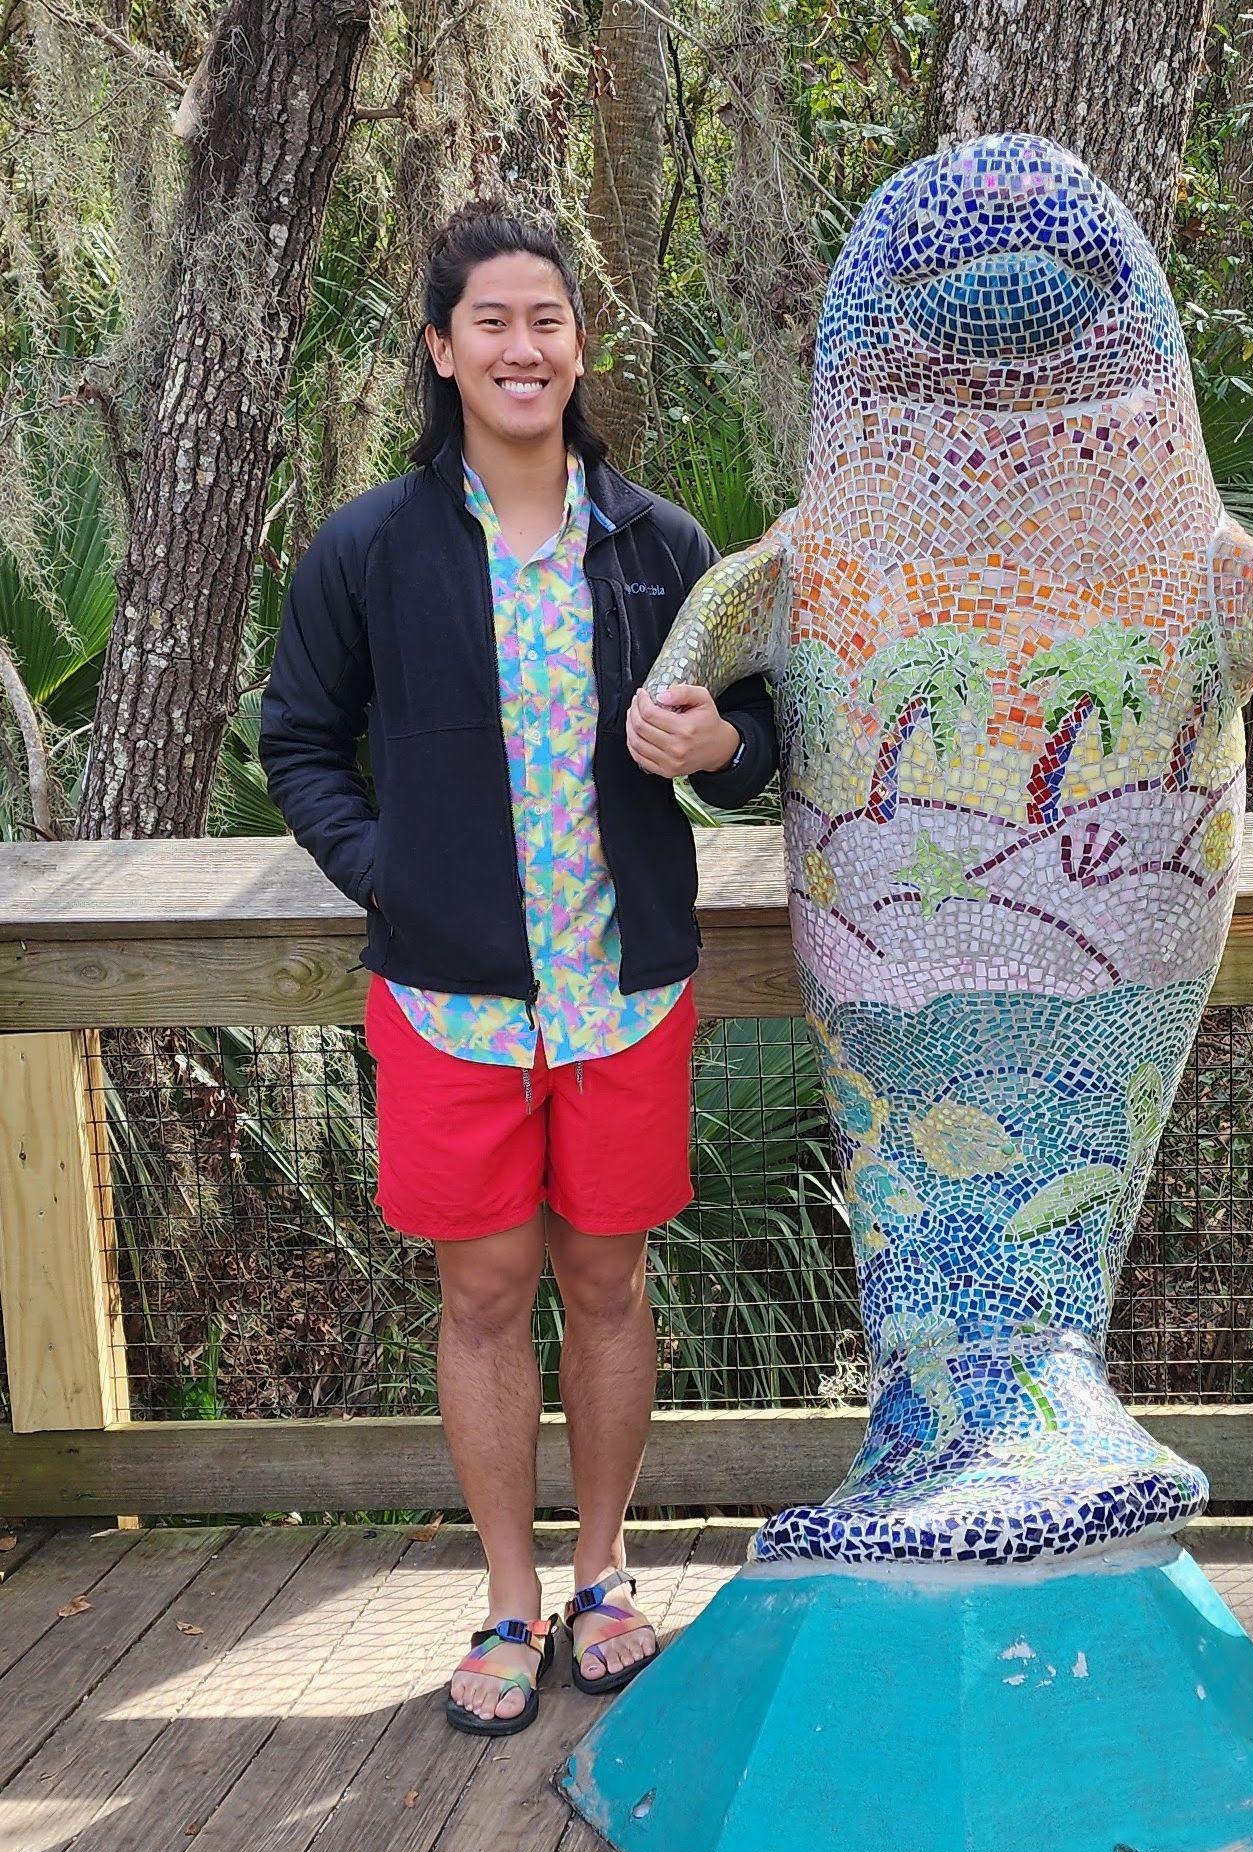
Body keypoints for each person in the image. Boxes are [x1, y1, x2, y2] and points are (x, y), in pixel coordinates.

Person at [261, 205, 776, 1735]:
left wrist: (723, 746)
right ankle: (505, 1598)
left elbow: (766, 752)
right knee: (483, 1294)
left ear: (578, 344)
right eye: (489, 321)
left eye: (545, 319)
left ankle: (606, 1576)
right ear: (440, 350)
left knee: (607, 1282)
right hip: (450, 998)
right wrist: (388, 873)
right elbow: (296, 740)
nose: (521, 347)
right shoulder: (367, 548)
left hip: (627, 986)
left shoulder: (667, 546)